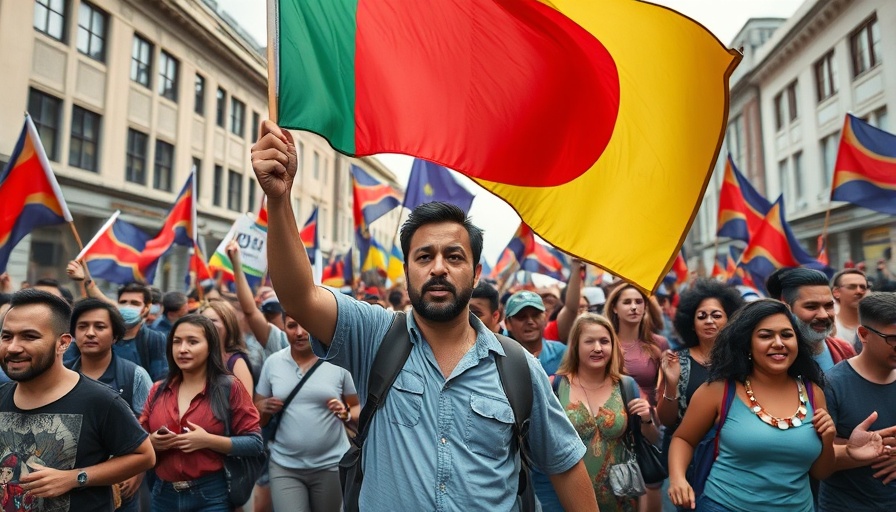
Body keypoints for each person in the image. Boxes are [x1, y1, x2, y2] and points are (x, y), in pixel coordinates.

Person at [251, 120, 595, 511]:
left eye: (454, 256)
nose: (438, 268)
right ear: (407, 269)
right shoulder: (375, 336)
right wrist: (278, 200)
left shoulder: (517, 367)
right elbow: (299, 299)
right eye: (425, 256)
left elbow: (565, 466)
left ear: (476, 272)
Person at [668, 299, 836, 511]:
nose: (779, 343)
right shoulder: (719, 390)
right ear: (747, 344)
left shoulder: (813, 393)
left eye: (786, 335)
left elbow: (821, 473)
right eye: (766, 336)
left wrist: (828, 438)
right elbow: (683, 438)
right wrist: (677, 479)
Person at [0, 289, 155, 511]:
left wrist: (75, 478)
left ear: (63, 343)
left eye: (29, 336)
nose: (13, 347)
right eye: (7, 336)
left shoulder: (100, 400)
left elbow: (145, 456)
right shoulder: (2, 395)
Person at [140, 314, 262, 512]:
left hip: (211, 494)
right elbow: (137, 441)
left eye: (193, 342)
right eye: (177, 342)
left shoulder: (230, 387)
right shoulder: (157, 390)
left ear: (210, 346)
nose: (183, 349)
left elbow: (255, 443)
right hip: (163, 494)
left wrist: (208, 440)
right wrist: (152, 443)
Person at [552, 313, 657, 511]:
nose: (598, 348)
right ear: (575, 345)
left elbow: (651, 440)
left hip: (620, 497)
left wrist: (647, 419)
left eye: (604, 341)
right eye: (589, 341)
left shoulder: (627, 386)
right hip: (567, 498)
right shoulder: (556, 386)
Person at [255, 315, 359, 512]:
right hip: (284, 465)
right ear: (283, 328)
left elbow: (356, 407)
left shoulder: (338, 361)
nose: (300, 332)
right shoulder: (273, 363)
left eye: (306, 324)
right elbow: (257, 413)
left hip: (330, 465)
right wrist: (264, 408)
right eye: (292, 326)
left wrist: (345, 414)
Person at [66, 298, 154, 511]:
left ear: (115, 336)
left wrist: (137, 473)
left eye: (100, 326)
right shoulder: (60, 375)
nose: (90, 333)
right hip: (68, 484)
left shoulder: (135, 375)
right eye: (82, 326)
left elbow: (150, 425)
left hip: (121, 485)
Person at [819, 292, 896, 511]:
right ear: (863, 334)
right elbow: (816, 461)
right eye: (893, 339)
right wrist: (858, 453)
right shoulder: (831, 385)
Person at [657, 279, 744, 465]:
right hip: (689, 459)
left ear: (730, 319)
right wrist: (671, 384)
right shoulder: (676, 361)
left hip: (734, 456)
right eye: (702, 316)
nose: (709, 321)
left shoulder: (744, 360)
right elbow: (666, 420)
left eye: (716, 315)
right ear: (691, 323)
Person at [605, 282, 668, 511]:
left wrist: (653, 417)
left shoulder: (658, 344)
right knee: (614, 487)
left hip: (648, 424)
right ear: (614, 308)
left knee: (651, 483)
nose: (634, 307)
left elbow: (664, 392)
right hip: (613, 424)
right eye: (627, 302)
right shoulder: (605, 343)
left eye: (639, 302)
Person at [63, 275, 169, 381]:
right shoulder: (73, 353)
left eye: (134, 303)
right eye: (123, 302)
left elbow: (160, 381)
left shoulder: (154, 340)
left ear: (146, 308)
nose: (90, 333)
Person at [766, 268, 855, 371]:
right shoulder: (772, 357)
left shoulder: (844, 350)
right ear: (786, 308)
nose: (824, 315)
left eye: (828, 306)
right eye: (811, 307)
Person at [199, 300, 254, 401]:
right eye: (203, 320)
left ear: (228, 325)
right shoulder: (196, 358)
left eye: (213, 320)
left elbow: (246, 407)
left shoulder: (236, 361)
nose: (207, 324)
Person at [504, 290, 567, 376]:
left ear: (545, 318)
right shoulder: (499, 359)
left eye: (535, 315)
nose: (530, 321)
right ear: (507, 323)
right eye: (522, 317)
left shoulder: (563, 354)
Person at [831, 269, 869, 353]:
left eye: (863, 287)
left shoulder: (876, 326)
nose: (859, 291)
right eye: (852, 287)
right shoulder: (828, 327)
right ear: (836, 292)